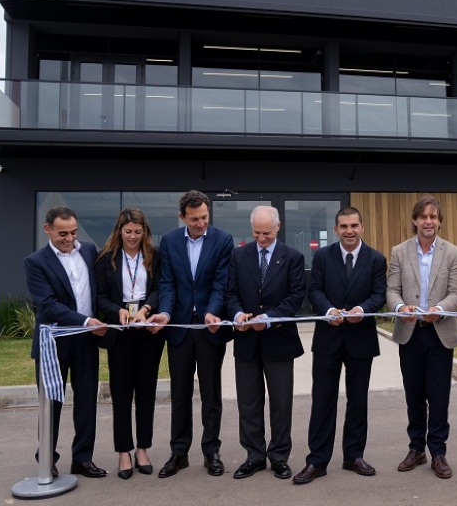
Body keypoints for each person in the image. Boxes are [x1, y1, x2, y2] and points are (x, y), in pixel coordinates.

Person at [293, 207, 387, 484]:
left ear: (362, 227)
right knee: (323, 400)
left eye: (354, 225)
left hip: (361, 338)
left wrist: (362, 309)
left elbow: (379, 294)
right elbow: (314, 289)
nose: (349, 231)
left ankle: (353, 456)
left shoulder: (376, 259)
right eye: (344, 226)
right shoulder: (323, 256)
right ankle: (317, 461)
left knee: (358, 400)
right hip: (328, 338)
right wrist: (328, 310)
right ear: (336, 229)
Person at [23, 206, 108, 478]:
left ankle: (82, 459)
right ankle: (47, 459)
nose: (69, 238)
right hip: (53, 343)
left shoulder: (89, 251)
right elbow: (48, 305)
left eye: (73, 232)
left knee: (86, 402)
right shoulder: (35, 262)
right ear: (48, 229)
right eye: (62, 234)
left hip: (86, 341)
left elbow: (99, 290)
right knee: (51, 403)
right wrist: (86, 320)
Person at [155, 190, 235, 478]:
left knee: (211, 392)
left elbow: (221, 282)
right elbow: (167, 283)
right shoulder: (169, 242)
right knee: (180, 393)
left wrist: (212, 312)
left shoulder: (223, 240)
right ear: (182, 217)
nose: (201, 223)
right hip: (179, 327)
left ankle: (211, 451)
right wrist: (165, 313)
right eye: (194, 219)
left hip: (209, 327)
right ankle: (179, 453)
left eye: (204, 217)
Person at [224, 205, 306, 481]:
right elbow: (230, 293)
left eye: (267, 233)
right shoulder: (238, 255)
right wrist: (237, 314)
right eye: (257, 233)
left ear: (278, 227)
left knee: (281, 403)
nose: (261, 238)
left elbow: (295, 297)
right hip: (246, 341)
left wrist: (269, 319)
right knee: (248, 403)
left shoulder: (292, 257)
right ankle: (254, 456)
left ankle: (279, 457)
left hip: (279, 340)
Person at [387, 196, 457, 480]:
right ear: (415, 220)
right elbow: (392, 290)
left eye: (433, 217)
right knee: (414, 395)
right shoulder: (399, 252)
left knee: (439, 396)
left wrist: (440, 310)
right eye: (423, 217)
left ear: (439, 221)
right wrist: (400, 308)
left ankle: (438, 452)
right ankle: (416, 449)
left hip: (439, 334)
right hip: (410, 333)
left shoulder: (454, 253)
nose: (428, 222)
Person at [94, 207, 169, 479]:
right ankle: (124, 451)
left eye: (138, 232)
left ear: (144, 232)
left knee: (146, 391)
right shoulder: (106, 259)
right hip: (120, 331)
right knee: (122, 393)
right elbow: (100, 296)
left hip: (147, 330)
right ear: (119, 231)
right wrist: (117, 311)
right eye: (128, 232)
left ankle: (143, 449)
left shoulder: (154, 256)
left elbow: (160, 288)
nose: (133, 237)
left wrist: (146, 309)